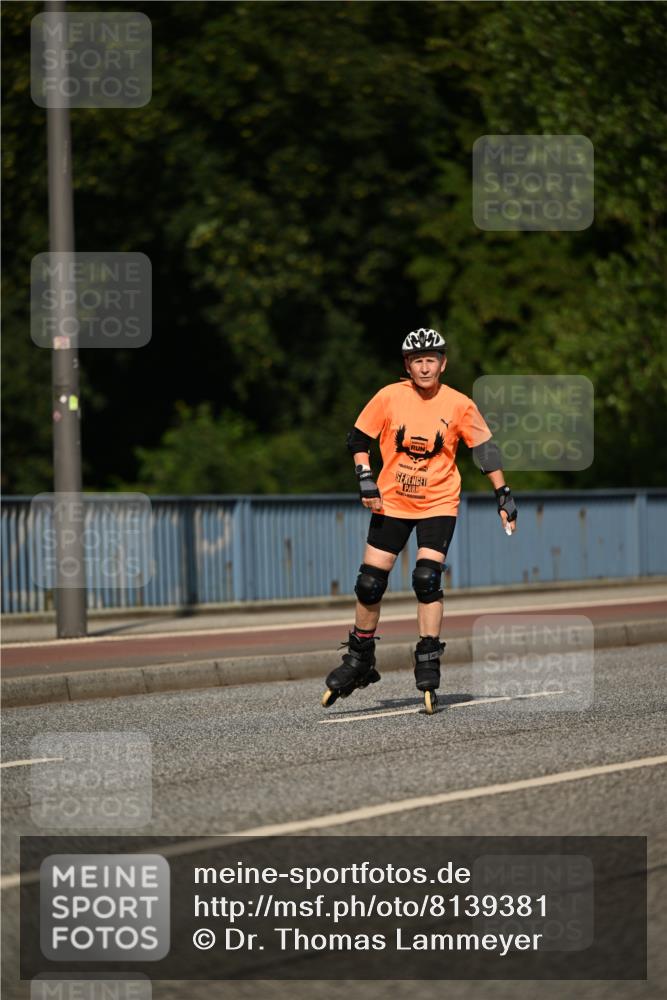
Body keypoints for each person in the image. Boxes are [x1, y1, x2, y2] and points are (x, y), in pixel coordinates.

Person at [321, 327, 518, 714]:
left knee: (426, 579)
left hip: (438, 503)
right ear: (407, 366)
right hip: (391, 502)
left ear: (443, 364)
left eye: (431, 360)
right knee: (369, 583)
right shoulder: (389, 396)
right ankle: (361, 658)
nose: (424, 367)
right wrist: (365, 477)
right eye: (417, 361)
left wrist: (503, 494)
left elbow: (485, 451)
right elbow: (358, 439)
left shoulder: (459, 404)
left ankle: (428, 658)